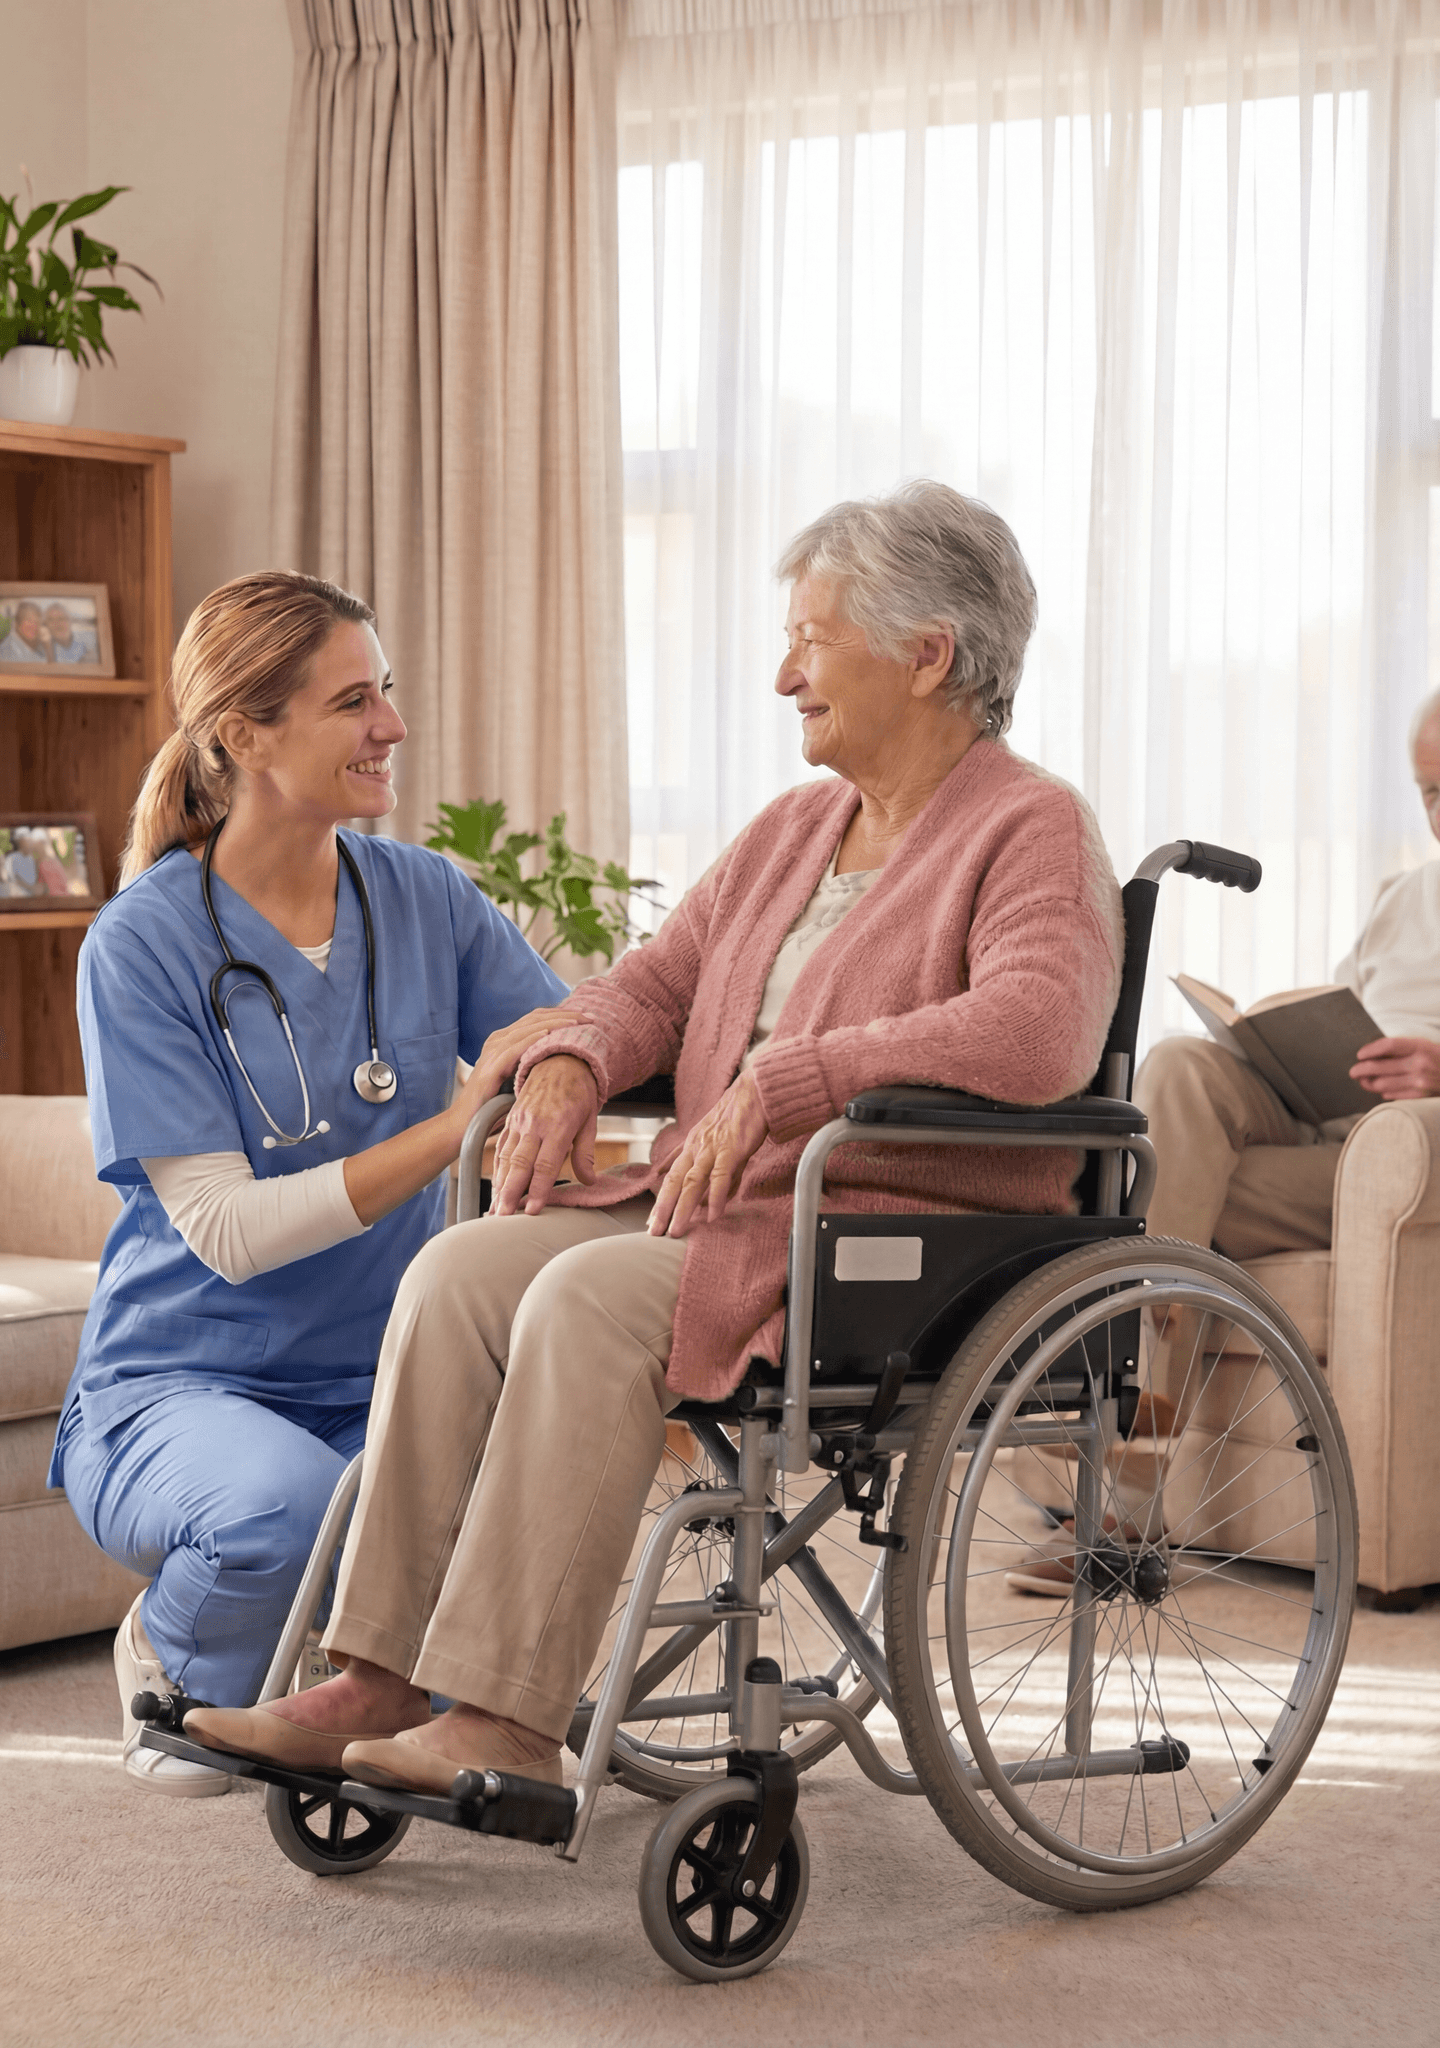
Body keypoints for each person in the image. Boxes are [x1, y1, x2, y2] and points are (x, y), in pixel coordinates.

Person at [182, 483, 1125, 1793]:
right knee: (456, 1273)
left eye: (814, 637)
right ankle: (378, 1675)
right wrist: (568, 1062)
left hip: (885, 1245)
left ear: (927, 655)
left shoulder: (1028, 825)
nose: (785, 672)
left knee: (584, 1297)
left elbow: (1038, 1030)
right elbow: (652, 985)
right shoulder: (795, 830)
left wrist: (797, 1078)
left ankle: (505, 1720)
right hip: (722, 1210)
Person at [50, 569, 569, 1796]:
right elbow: (226, 1230)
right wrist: (456, 1129)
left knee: (464, 1658)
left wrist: (573, 1069)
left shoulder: (425, 897)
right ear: (244, 734)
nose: (390, 724)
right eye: (352, 701)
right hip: (178, 1382)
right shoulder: (144, 940)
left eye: (384, 690)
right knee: (287, 1516)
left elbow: (566, 1042)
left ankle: (297, 1653)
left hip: (382, 1383)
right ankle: (169, 1649)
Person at [1132, 691, 1440, 1263]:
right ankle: (1136, 1340)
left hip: (1412, 1149)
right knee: (1180, 1065)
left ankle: (1130, 1347)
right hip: (1329, 1122)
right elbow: (1342, 1014)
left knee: (1168, 1184)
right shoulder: (1400, 896)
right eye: (1432, 793)